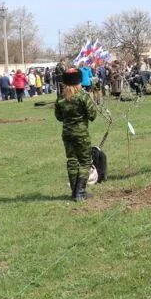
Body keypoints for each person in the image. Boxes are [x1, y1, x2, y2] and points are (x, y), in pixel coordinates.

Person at [54, 67, 98, 201]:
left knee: (72, 161)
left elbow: (59, 117)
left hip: (67, 134)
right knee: (85, 162)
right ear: (78, 81)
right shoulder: (83, 97)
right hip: (81, 134)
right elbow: (93, 115)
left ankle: (74, 192)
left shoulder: (61, 99)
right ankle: (80, 193)